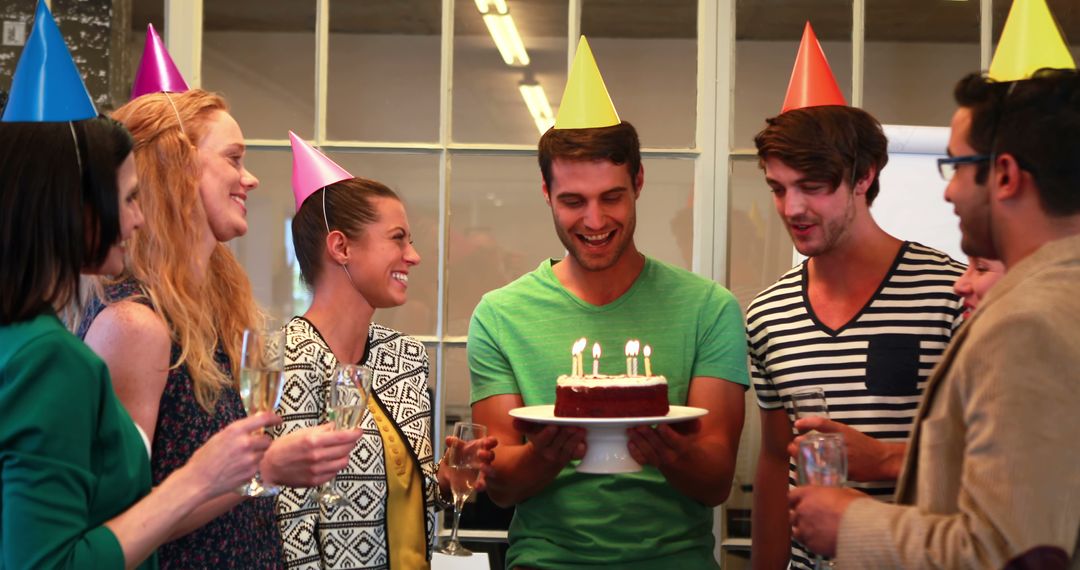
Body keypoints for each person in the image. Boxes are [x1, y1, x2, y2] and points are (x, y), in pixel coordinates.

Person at [790, 68, 1080, 569]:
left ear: (1006, 176)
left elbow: (1009, 553)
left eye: (958, 167)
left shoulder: (1026, 322)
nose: (949, 194)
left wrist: (851, 522)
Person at [79, 90, 360, 569]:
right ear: (176, 169)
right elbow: (123, 523)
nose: (249, 179)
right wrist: (265, 467)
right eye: (233, 159)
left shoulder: (209, 311)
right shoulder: (136, 325)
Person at [0, 116, 279, 569]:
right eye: (128, 198)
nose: (138, 217)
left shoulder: (23, 338)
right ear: (75, 206)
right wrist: (199, 478)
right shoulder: (50, 355)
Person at [469, 117, 749, 566]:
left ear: (638, 181)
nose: (594, 220)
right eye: (573, 201)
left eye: (611, 197)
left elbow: (716, 482)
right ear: (546, 193)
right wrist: (546, 456)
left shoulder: (709, 309)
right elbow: (501, 488)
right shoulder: (500, 315)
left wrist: (670, 453)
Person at [748, 104, 965, 569]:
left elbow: (995, 462)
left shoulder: (951, 295)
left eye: (812, 187)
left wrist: (885, 458)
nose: (792, 208)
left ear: (863, 177)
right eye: (778, 188)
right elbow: (773, 462)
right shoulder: (768, 314)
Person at [273, 138, 496, 569]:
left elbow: (396, 493)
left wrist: (446, 479)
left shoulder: (405, 357)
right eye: (398, 239)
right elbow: (291, 525)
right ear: (341, 248)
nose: (413, 256)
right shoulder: (288, 361)